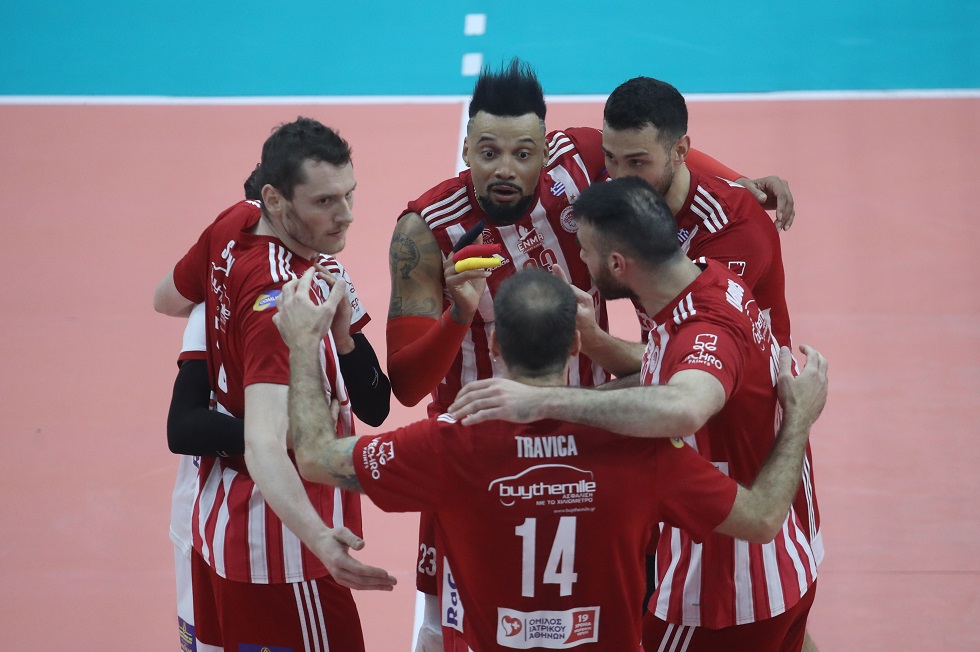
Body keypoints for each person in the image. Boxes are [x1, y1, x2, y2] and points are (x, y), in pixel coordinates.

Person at [384, 58, 796, 647]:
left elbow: (654, 160)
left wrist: (736, 183)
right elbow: (406, 385)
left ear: (545, 151)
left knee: (617, 621)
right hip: (483, 457)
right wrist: (457, 316)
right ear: (467, 149)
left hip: (600, 440)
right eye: (488, 152)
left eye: (523, 153)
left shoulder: (579, 164)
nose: (505, 168)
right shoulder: (426, 232)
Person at [276, 265, 827, 652]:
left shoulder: (448, 445)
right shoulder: (641, 450)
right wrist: (798, 418)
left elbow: (317, 457)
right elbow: (762, 519)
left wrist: (304, 345)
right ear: (576, 346)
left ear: (496, 347)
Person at [450, 178, 820, 651]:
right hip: (779, 571)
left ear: (616, 264)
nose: (580, 260)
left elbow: (684, 407)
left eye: (585, 251)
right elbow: (665, 369)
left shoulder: (705, 329)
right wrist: (594, 340)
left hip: (720, 591)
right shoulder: (707, 282)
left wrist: (544, 401)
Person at [153, 118, 396, 652]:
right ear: (275, 200)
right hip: (285, 553)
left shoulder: (233, 226)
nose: (346, 215)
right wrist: (322, 543)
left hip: (225, 528)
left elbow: (165, 298)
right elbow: (263, 443)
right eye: (325, 201)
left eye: (349, 194)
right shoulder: (282, 304)